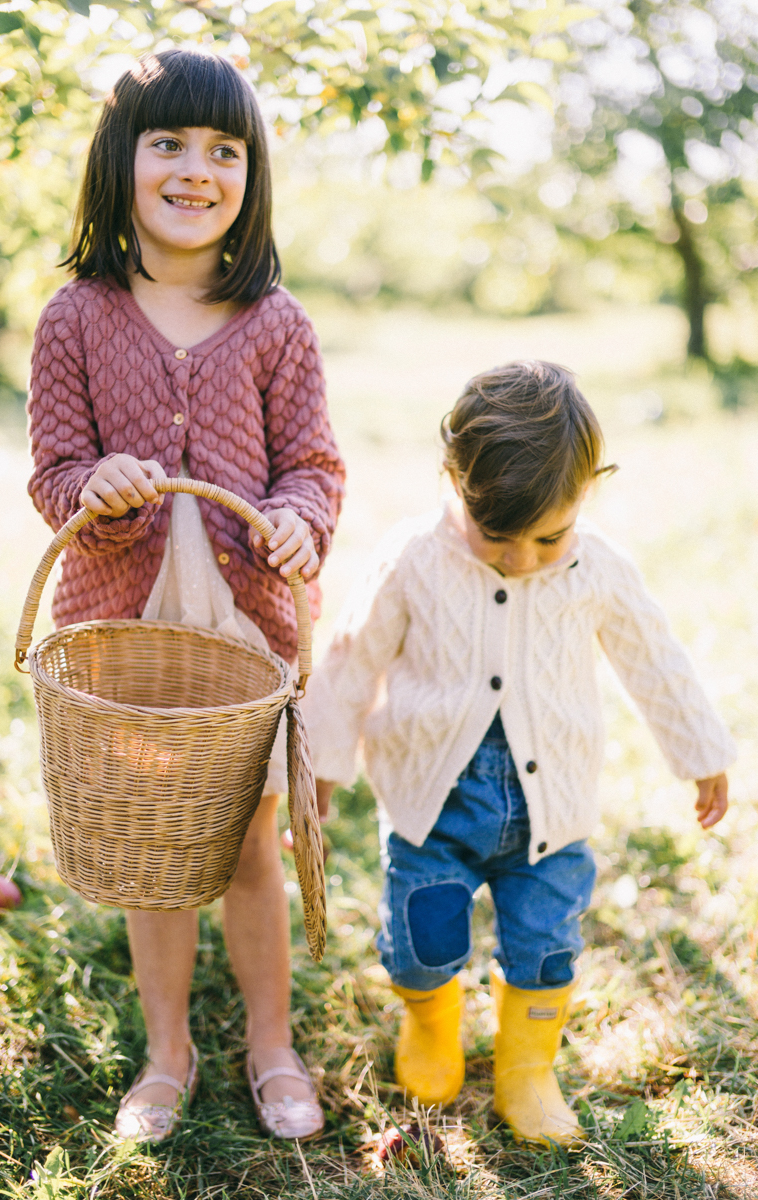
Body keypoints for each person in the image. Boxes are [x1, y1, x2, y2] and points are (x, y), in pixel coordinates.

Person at [27, 48, 345, 1144]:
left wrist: (302, 518)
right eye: (167, 143)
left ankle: (271, 1042)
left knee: (248, 847)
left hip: (242, 628)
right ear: (120, 162)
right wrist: (91, 485)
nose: (195, 170)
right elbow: (52, 470)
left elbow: (312, 465)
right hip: (125, 629)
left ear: (250, 175)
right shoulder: (76, 315)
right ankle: (168, 1052)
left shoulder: (274, 322)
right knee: (157, 847)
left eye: (223, 149)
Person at [305, 361, 734, 1147]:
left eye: (548, 536)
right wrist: (320, 768)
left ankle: (526, 1070)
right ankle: (430, 1025)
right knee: (423, 940)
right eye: (497, 537)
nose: (523, 559)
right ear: (453, 483)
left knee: (546, 947)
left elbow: (654, 657)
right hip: (431, 807)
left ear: (587, 495)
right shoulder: (412, 560)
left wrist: (701, 751)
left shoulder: (598, 567)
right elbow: (348, 660)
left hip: (552, 811)